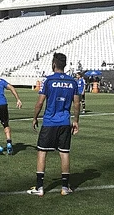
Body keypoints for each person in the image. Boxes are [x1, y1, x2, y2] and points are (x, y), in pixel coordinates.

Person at [28, 52, 80, 196]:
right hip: (64, 122)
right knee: (64, 153)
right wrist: (76, 121)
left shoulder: (48, 81)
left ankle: (39, 187)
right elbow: (76, 104)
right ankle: (64, 187)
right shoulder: (72, 82)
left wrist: (34, 118)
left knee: (42, 151)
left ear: (53, 64)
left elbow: (39, 102)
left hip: (50, 122)